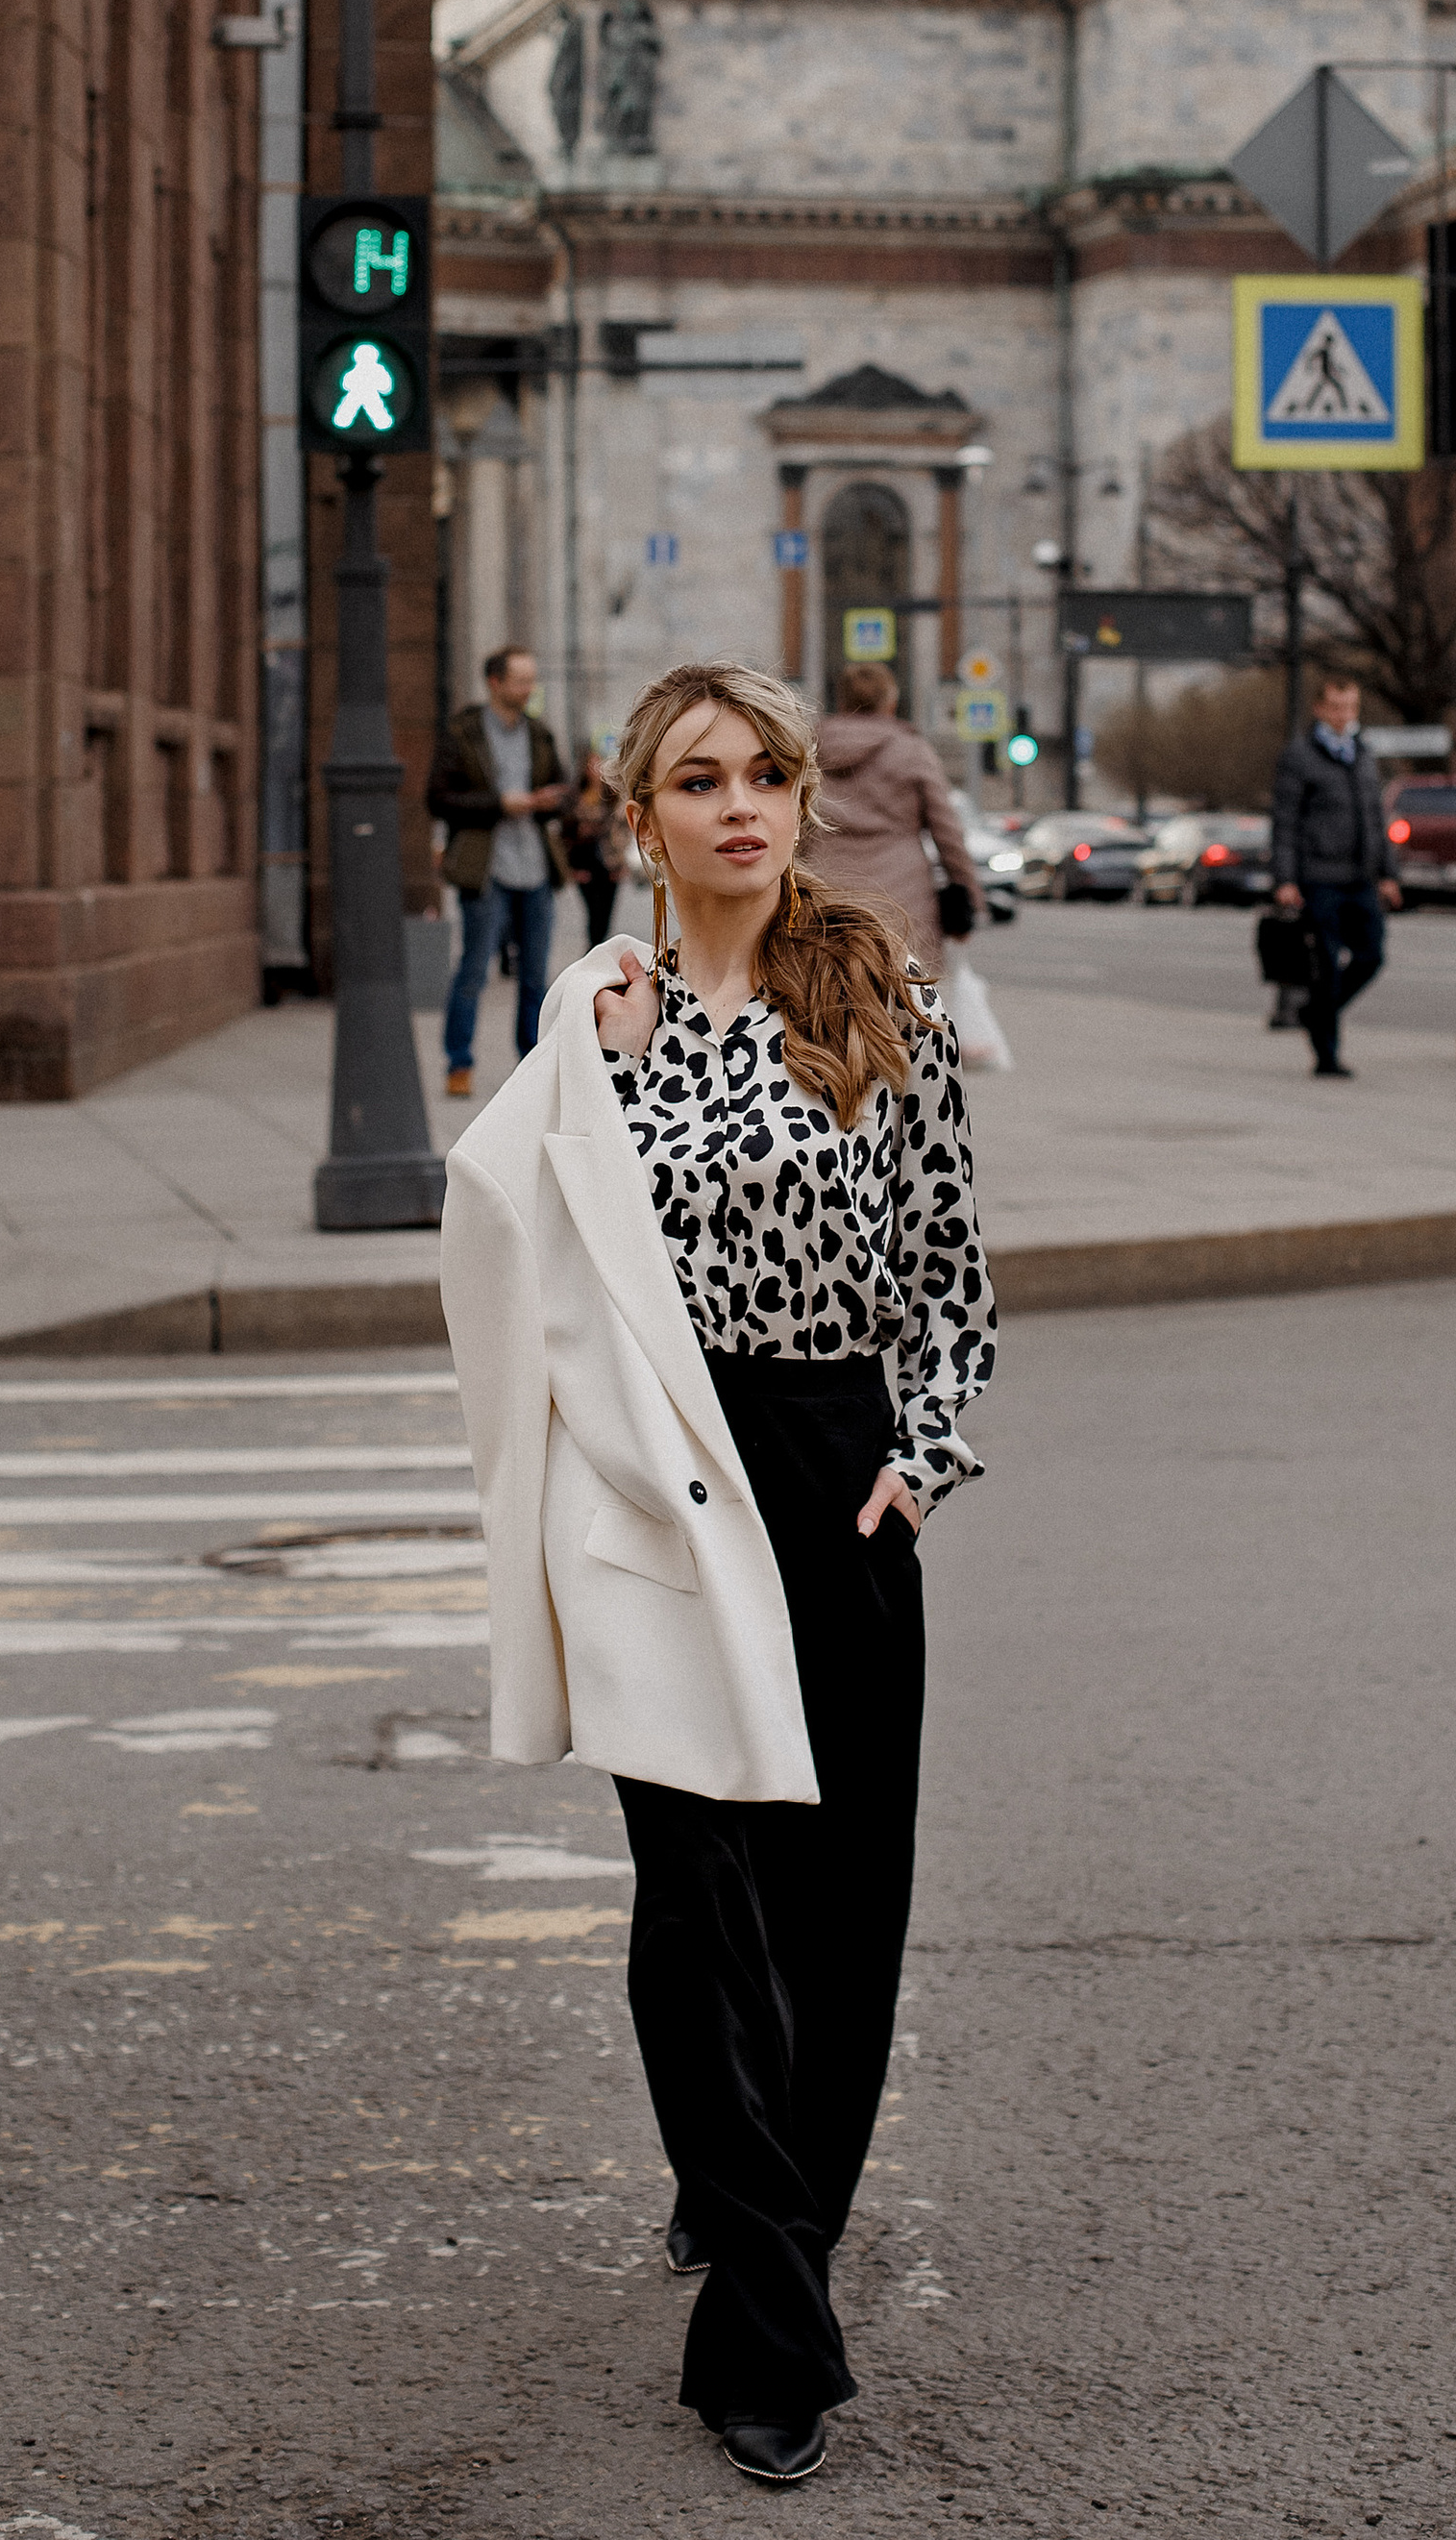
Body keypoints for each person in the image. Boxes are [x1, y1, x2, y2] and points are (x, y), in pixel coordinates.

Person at [439, 660, 994, 2492]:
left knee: (835, 1905)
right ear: (642, 815)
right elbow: (519, 1267)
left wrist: (917, 1463)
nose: (744, 802)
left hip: (834, 1475)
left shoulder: (877, 993)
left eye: (768, 771)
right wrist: (577, 1069)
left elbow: (947, 1273)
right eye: (701, 779)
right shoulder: (598, 1015)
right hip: (662, 1497)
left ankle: (772, 2205)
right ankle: (769, 2316)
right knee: (696, 1902)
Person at [428, 643, 570, 1097]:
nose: (528, 688)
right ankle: (459, 1064)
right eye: (520, 680)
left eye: (531, 680)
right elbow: (438, 798)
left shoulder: (539, 734)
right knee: (474, 970)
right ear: (495, 683)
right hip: (485, 871)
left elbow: (564, 790)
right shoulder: (463, 731)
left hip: (535, 872)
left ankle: (531, 1067)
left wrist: (551, 801)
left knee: (535, 977)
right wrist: (498, 804)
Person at [807, 662, 980, 974]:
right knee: (905, 1000)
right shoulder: (912, 750)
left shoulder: (809, 749)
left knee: (824, 992)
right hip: (903, 900)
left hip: (824, 892)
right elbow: (948, 834)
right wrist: (967, 895)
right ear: (891, 703)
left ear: (842, 701)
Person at [1270, 668, 1400, 1080]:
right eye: (1337, 706)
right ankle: (1327, 1054)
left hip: (1361, 876)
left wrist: (1387, 873)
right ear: (1320, 708)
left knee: (1371, 956)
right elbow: (1285, 822)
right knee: (1324, 964)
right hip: (1319, 875)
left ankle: (1314, 1013)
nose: (1345, 714)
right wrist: (1285, 879)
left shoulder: (1363, 753)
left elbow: (1377, 819)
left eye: (1351, 706)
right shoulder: (1300, 756)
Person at [558, 742, 629, 949]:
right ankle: (593, 954)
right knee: (594, 914)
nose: (596, 771)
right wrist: (571, 868)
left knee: (605, 917)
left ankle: (597, 953)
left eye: (599, 765)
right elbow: (566, 835)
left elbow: (623, 830)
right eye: (591, 765)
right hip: (585, 863)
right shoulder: (575, 798)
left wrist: (621, 863)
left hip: (610, 863)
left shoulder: (612, 797)